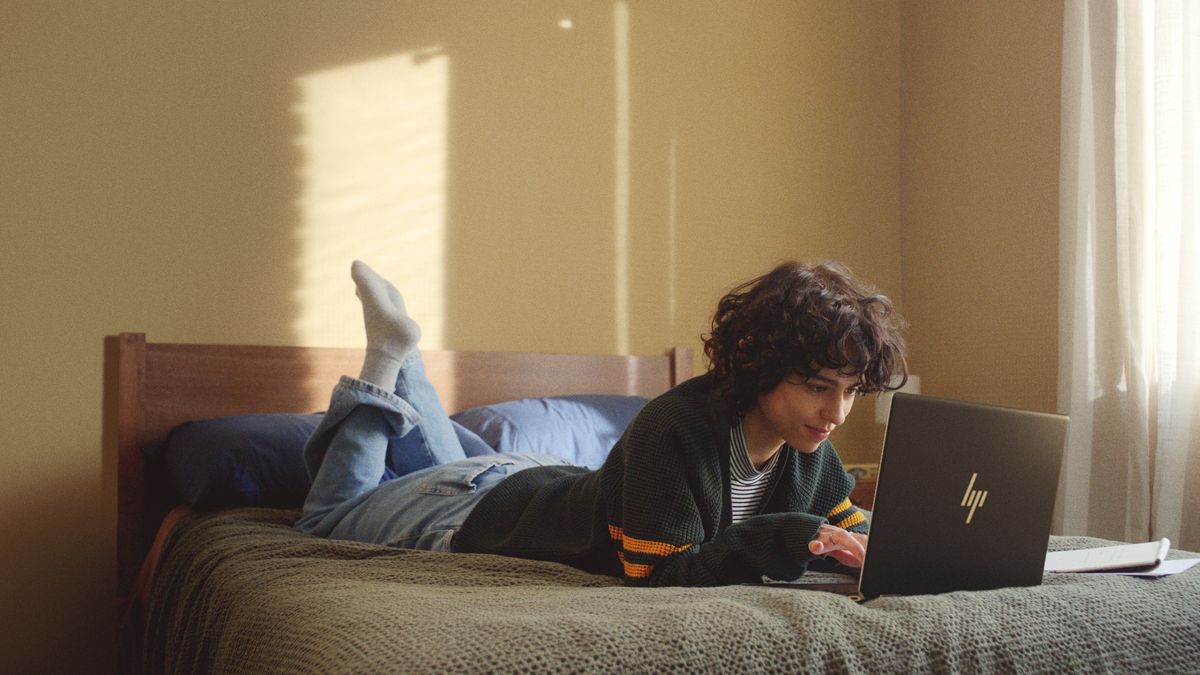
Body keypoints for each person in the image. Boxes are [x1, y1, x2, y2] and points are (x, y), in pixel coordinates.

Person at [296, 259, 908, 586]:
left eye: (852, 391)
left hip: (529, 476)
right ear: (760, 362)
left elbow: (848, 525)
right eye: (818, 388)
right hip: (474, 512)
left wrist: (911, 542)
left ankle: (403, 351)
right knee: (323, 522)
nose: (837, 414)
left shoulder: (811, 452)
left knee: (440, 470)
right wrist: (783, 537)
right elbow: (659, 572)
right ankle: (384, 362)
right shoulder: (675, 429)